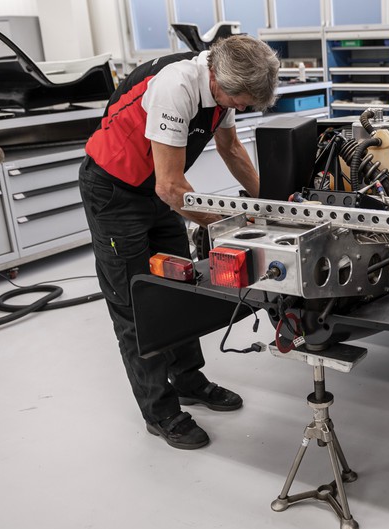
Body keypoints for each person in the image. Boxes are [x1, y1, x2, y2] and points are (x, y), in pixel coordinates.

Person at [78, 36, 279, 450]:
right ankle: (161, 411)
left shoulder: (222, 90)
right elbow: (172, 188)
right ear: (219, 82)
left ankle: (188, 380)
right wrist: (230, 224)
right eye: (240, 101)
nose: (240, 109)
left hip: (152, 189)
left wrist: (273, 206)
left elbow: (232, 149)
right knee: (137, 302)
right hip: (114, 193)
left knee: (178, 287)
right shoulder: (177, 85)